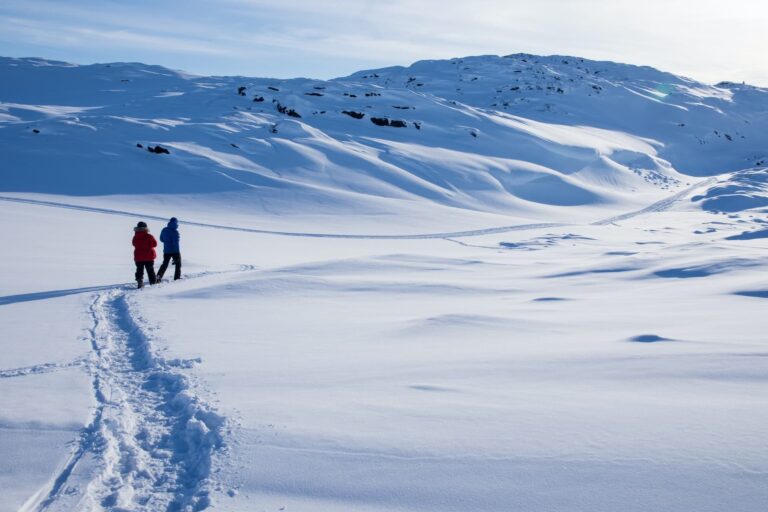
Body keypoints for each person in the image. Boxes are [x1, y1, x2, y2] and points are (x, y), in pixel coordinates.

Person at [132, 221, 157, 288]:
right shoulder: (149, 236)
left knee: (139, 270)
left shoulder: (135, 237)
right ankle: (153, 283)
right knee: (150, 270)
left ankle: (139, 281)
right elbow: (155, 244)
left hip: (138, 256)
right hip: (149, 256)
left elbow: (134, 244)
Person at [157, 217, 182, 281]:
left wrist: (167, 242)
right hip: (175, 251)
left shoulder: (164, 230)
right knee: (178, 264)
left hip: (166, 251)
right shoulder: (175, 232)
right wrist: (177, 254)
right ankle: (177, 278)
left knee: (164, 264)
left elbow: (161, 239)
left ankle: (158, 277)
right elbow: (176, 244)